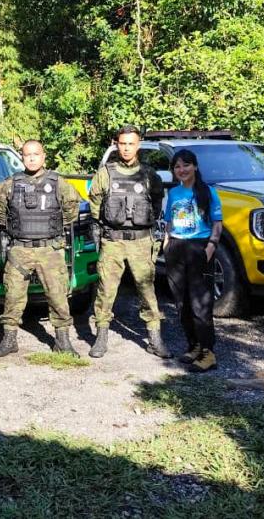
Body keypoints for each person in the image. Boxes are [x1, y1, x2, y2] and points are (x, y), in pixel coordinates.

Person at [0, 140, 82, 357]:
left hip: (50, 250)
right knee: (12, 297)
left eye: (35, 154)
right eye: (27, 155)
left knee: (58, 296)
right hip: (19, 250)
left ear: (43, 156)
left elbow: (72, 210)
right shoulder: (9, 184)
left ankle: (63, 342)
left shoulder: (59, 183)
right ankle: (9, 340)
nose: (31, 158)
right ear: (22, 157)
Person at [87, 125, 167, 358]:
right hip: (112, 241)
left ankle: (155, 339)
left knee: (147, 291)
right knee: (106, 291)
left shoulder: (149, 174)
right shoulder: (106, 173)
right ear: (117, 144)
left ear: (138, 145)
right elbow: (95, 202)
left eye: (131, 144)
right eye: (123, 144)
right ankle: (101, 338)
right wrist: (101, 226)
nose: (126, 148)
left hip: (141, 242)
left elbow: (157, 202)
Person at [163, 149, 223, 372]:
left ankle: (208, 353)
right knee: (182, 302)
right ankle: (194, 345)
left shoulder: (208, 192)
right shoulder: (174, 193)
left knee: (200, 303)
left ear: (195, 166)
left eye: (186, 165)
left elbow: (217, 223)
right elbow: (169, 220)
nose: (181, 170)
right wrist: (167, 242)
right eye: (177, 166)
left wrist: (211, 246)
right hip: (176, 248)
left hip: (199, 247)